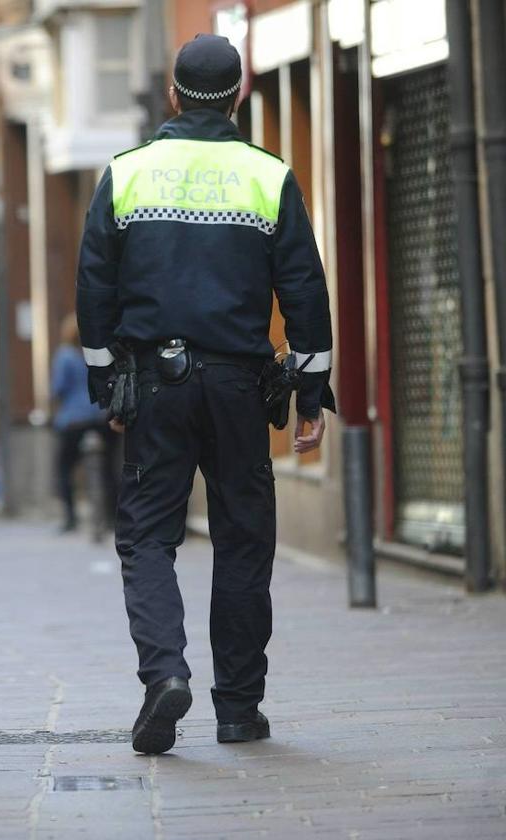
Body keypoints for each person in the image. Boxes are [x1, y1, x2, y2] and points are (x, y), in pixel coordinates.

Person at [75, 34, 335, 755]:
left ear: (173, 95)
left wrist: (106, 377)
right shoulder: (267, 175)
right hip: (239, 387)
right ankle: (238, 710)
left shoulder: (127, 175)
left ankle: (164, 673)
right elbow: (304, 290)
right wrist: (311, 392)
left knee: (147, 537)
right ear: (241, 95)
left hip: (155, 385)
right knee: (243, 541)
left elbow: (93, 283)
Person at [51, 313, 119, 534]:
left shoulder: (65, 357)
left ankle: (70, 518)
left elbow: (58, 388)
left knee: (64, 469)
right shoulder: (102, 354)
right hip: (101, 418)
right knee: (109, 469)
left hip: (73, 421)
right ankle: (110, 518)